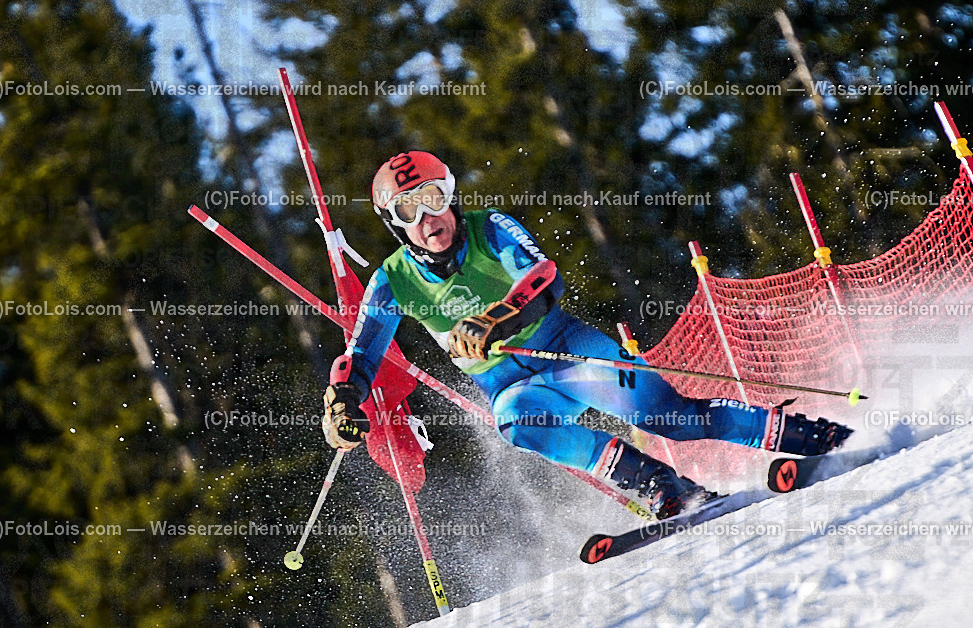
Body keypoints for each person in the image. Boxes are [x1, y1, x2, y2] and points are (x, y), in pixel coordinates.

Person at [321, 152, 851, 518]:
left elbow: (546, 275)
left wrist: (497, 318)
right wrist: (344, 403)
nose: (428, 217)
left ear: (452, 195)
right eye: (409, 209)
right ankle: (668, 488)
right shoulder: (391, 281)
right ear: (393, 223)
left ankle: (813, 439)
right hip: (513, 386)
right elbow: (361, 355)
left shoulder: (491, 228)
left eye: (434, 197)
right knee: (519, 425)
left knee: (674, 420)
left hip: (564, 350)